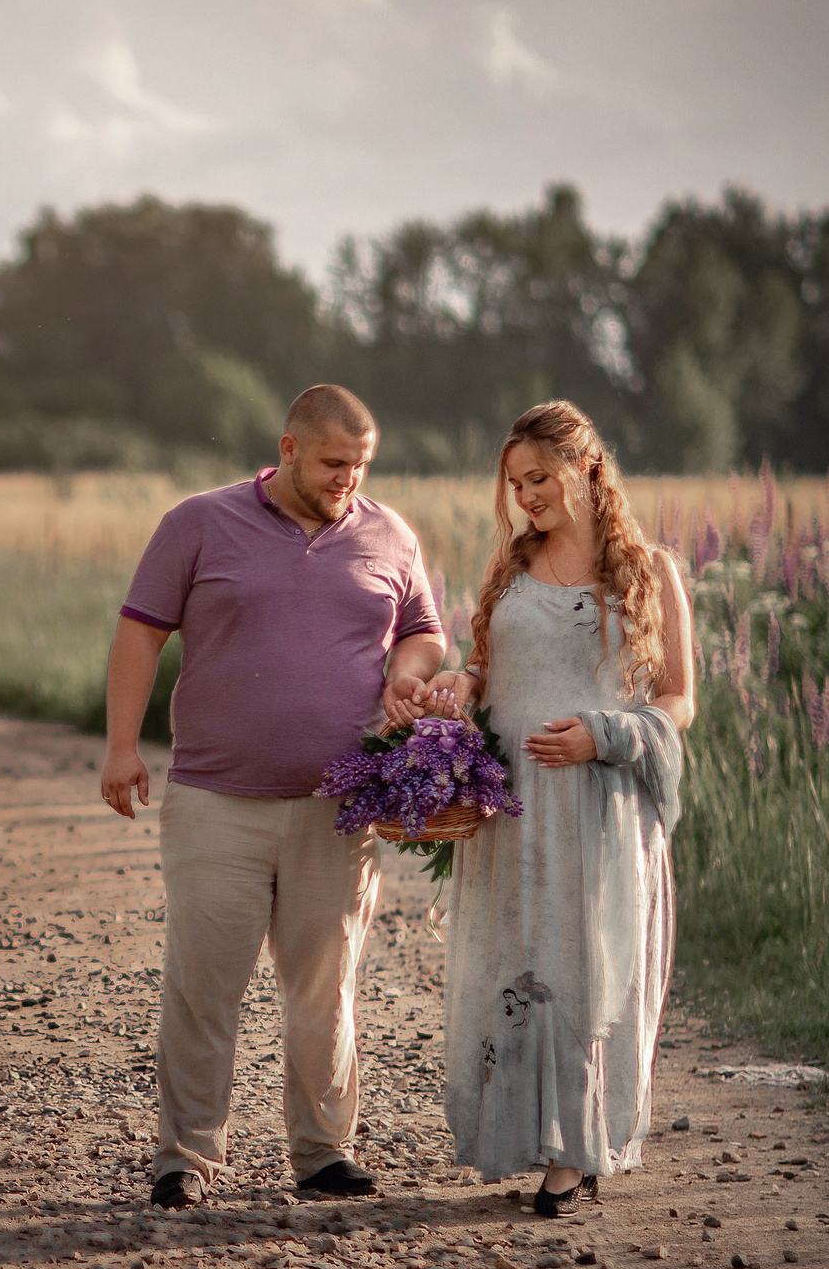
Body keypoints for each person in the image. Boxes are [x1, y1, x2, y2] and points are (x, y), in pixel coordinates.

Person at [101, 385, 447, 1207]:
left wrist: (409, 671)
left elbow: (425, 631)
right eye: (334, 463)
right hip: (217, 798)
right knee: (204, 982)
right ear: (287, 449)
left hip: (341, 808)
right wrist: (121, 747)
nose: (348, 482)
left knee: (327, 988)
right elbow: (140, 633)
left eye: (361, 467)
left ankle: (325, 1152)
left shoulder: (389, 533)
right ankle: (185, 1157)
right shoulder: (197, 522)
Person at [419, 401, 696, 1217]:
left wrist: (606, 735)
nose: (526, 496)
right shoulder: (510, 567)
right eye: (515, 483)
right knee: (518, 959)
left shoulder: (648, 570)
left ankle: (577, 1150)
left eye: (540, 478)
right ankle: (526, 1135)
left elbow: (678, 702)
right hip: (514, 806)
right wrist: (464, 685)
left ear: (589, 468)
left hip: (599, 803)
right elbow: (491, 668)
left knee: (586, 964)